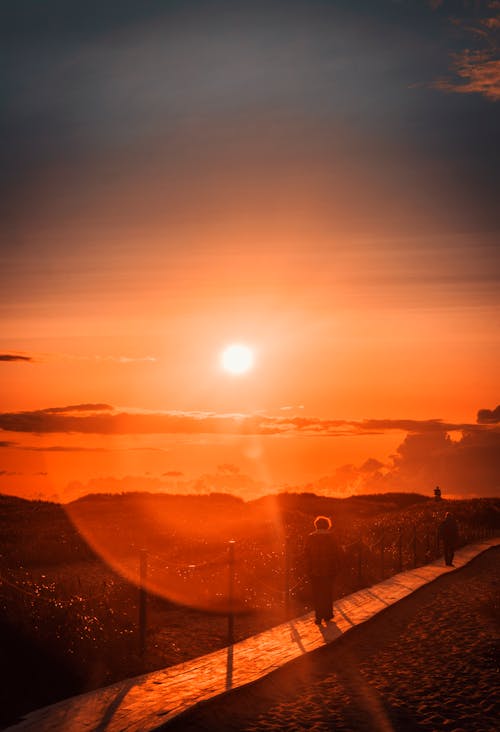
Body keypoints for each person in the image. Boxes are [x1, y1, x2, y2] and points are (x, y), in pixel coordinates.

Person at [305, 515, 340, 625]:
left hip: (314, 570)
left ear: (316, 525)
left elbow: (306, 554)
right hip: (329, 570)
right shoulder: (332, 537)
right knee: (327, 592)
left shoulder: (310, 537)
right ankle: (328, 615)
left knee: (317, 594)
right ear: (327, 525)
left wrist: (308, 569)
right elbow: (336, 553)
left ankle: (318, 617)